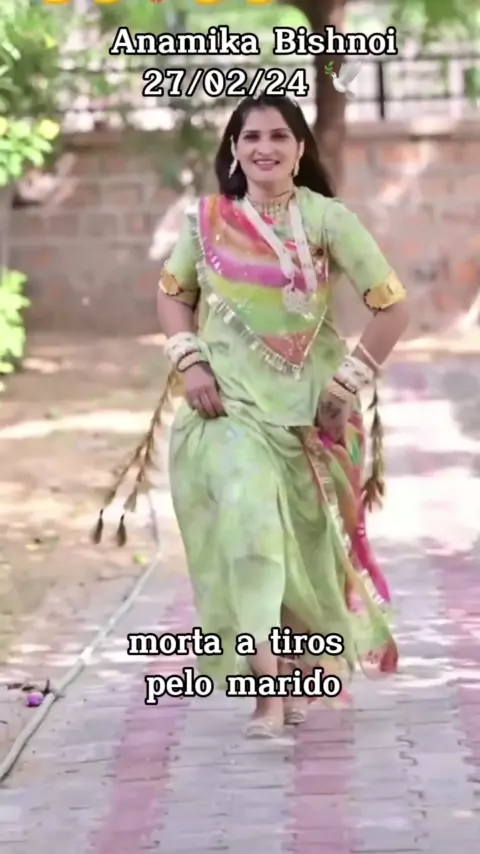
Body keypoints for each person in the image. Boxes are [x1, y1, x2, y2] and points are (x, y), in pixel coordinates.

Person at [95, 94, 409, 738]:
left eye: (278, 136)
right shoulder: (206, 221)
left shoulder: (327, 220)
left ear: (300, 148)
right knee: (250, 531)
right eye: (250, 137)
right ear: (234, 150)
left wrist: (346, 385)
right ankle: (266, 690)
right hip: (228, 408)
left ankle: (296, 676)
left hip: (307, 418)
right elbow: (172, 296)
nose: (264, 147)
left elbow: (393, 308)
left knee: (301, 550)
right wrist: (190, 362)